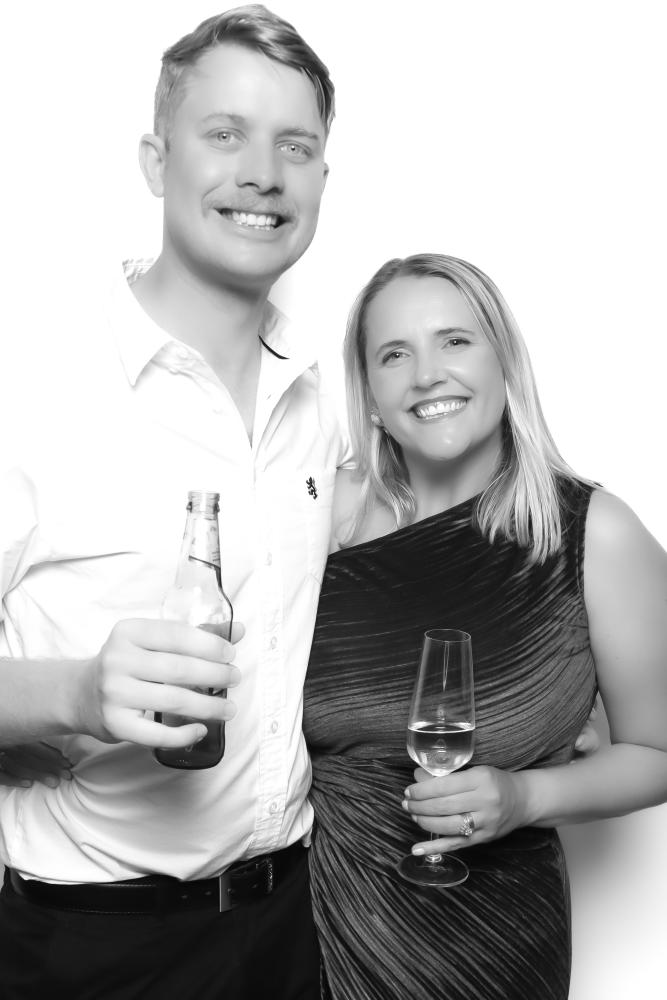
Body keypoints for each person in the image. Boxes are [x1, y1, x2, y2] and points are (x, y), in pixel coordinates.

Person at [0, 6, 342, 998]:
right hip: (88, 947)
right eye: (225, 134)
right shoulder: (32, 390)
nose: (263, 173)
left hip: (290, 925)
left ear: (322, 179)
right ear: (156, 162)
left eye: (295, 146)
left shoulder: (318, 403)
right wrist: (73, 695)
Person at [302, 253, 667, 1000]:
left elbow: (659, 752)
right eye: (394, 354)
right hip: (306, 927)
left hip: (489, 947)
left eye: (454, 341)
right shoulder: (319, 520)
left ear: (505, 361)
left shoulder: (594, 535)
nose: (426, 374)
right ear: (368, 391)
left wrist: (527, 798)